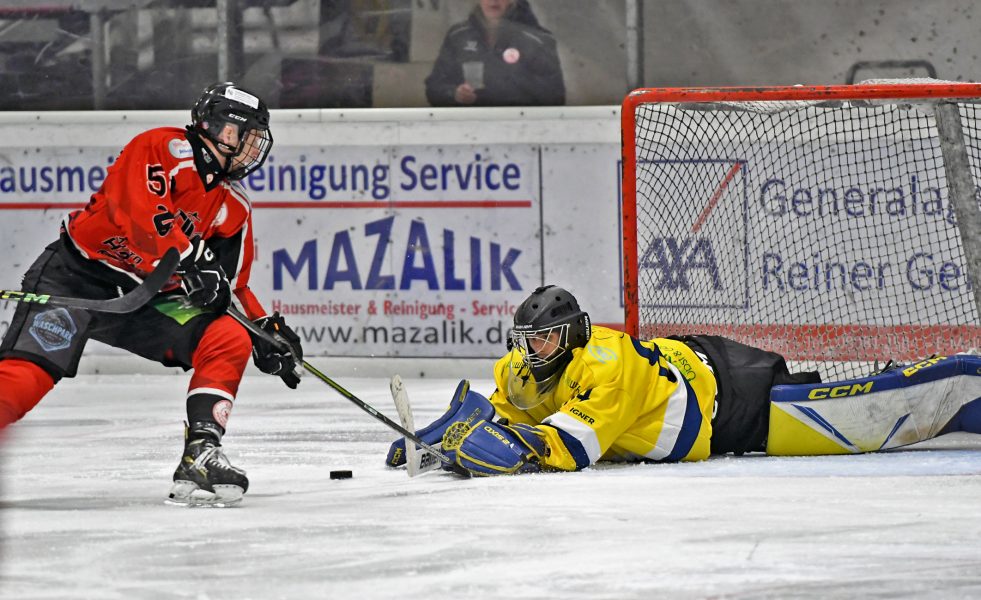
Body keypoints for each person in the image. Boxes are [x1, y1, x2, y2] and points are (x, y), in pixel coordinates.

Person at [0, 82, 304, 506]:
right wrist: (189, 254)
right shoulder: (161, 147)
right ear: (219, 128)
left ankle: (202, 451)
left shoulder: (232, 205)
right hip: (75, 276)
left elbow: (233, 286)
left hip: (146, 299)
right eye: (246, 134)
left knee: (227, 336)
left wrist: (263, 330)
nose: (253, 148)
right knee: (25, 379)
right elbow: (140, 213)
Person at [386, 285, 981, 476]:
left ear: (568, 337)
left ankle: (963, 381)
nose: (529, 351)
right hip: (692, 367)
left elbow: (566, 448)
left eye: (540, 339)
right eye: (525, 341)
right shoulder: (524, 368)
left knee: (866, 419)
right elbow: (507, 415)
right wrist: (442, 440)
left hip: (732, 403)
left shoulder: (605, 366)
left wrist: (488, 448)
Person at [425, 0, 565, 107]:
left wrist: (508, 88)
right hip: (469, 130)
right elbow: (434, 88)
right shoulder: (458, 36)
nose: (493, 0)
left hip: (522, 130)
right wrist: (455, 94)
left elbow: (555, 97)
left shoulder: (538, 40)